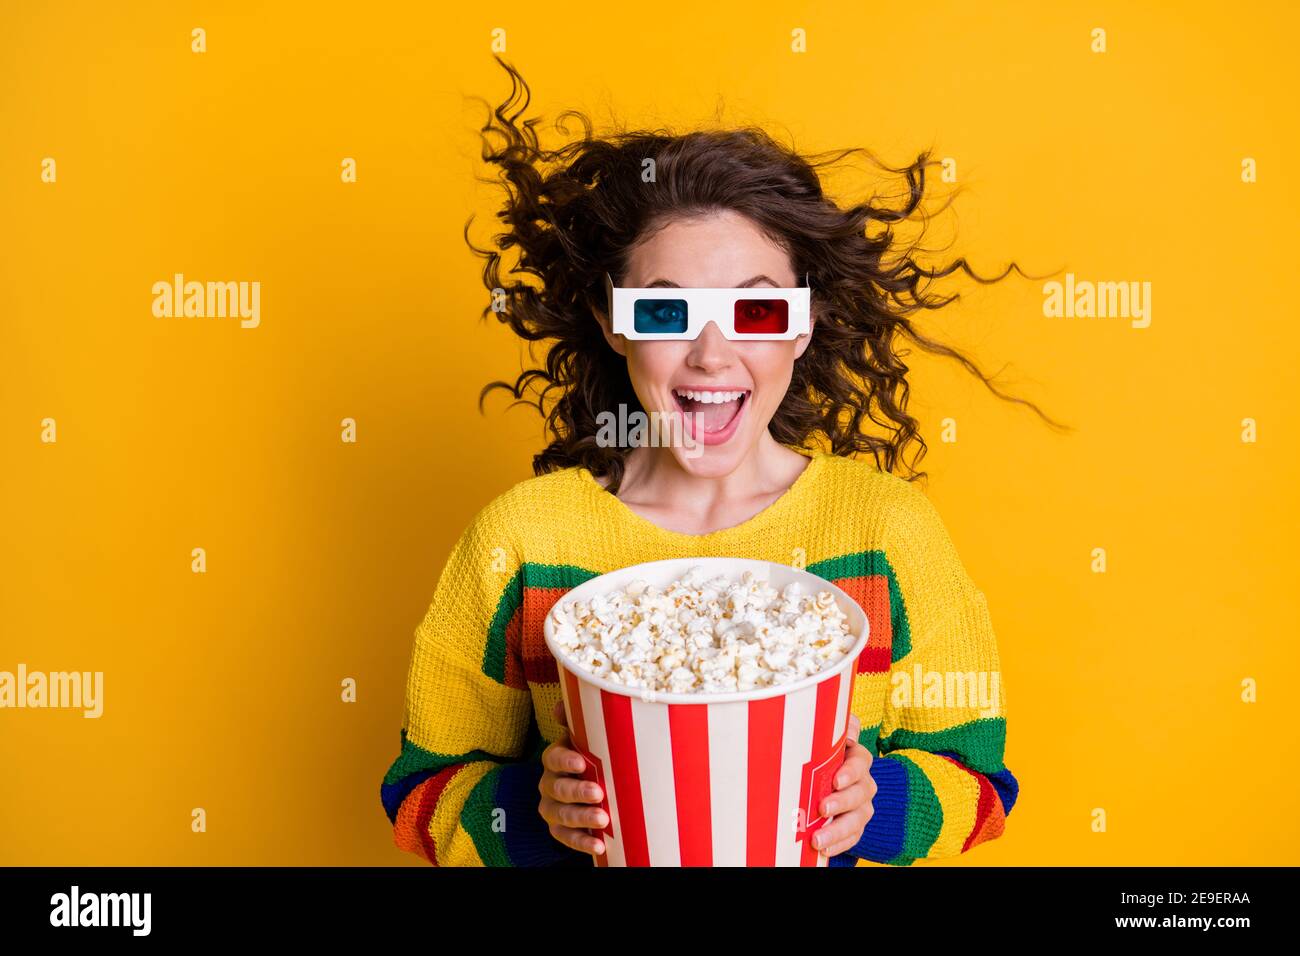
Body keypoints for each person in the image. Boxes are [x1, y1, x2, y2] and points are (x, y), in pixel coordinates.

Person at [379, 57, 1063, 866]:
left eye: (757, 308)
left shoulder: (886, 533)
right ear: (613, 323)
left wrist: (874, 808)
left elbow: (981, 786)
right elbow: (419, 795)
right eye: (667, 309)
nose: (713, 353)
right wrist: (533, 814)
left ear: (802, 327)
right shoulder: (523, 543)